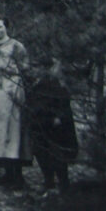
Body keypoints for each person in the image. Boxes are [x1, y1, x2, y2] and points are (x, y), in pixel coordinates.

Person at [0, 17, 32, 186]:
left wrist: (8, 70)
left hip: (12, 87)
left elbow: (25, 66)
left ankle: (14, 170)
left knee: (12, 127)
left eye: (0, 27)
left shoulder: (16, 46)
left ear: (7, 28)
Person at [29, 56, 78, 191]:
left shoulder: (55, 84)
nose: (34, 70)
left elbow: (63, 103)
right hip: (39, 123)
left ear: (45, 69)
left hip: (54, 124)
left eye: (37, 67)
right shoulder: (35, 84)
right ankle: (48, 180)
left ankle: (63, 181)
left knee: (57, 153)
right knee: (41, 152)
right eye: (33, 67)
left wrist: (58, 117)